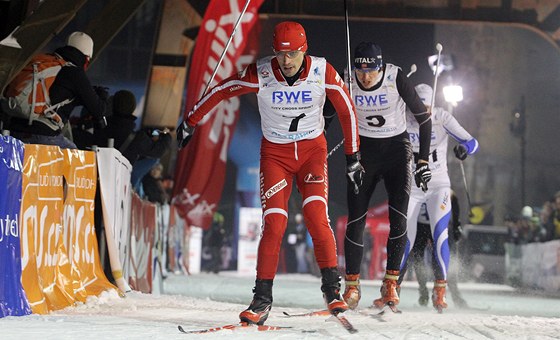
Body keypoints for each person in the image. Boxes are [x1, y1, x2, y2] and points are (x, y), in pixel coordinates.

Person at [176, 21, 362, 325]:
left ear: (304, 50)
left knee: (317, 217)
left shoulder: (322, 71)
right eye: (280, 54)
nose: (285, 61)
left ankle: (332, 290)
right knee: (274, 223)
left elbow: (347, 110)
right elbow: (223, 89)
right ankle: (261, 299)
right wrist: (191, 121)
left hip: (312, 154)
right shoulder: (261, 73)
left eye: (291, 55)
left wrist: (353, 158)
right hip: (276, 155)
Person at [342, 42, 432, 311]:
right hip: (364, 153)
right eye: (361, 71)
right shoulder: (347, 77)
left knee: (399, 219)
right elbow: (329, 112)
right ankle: (351, 286)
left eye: (371, 71)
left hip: (396, 151)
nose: (365, 77)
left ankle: (391, 283)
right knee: (356, 219)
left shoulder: (395, 76)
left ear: (380, 67)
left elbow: (424, 119)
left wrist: (422, 160)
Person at [398, 83, 479, 311]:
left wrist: (464, 149)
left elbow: (472, 142)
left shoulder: (442, 117)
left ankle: (440, 292)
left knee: (440, 234)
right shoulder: (402, 117)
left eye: (426, 107)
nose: (421, 112)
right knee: (404, 236)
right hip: (412, 185)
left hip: (438, 184)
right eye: (417, 107)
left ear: (433, 105)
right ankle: (393, 289)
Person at [5, 31, 109, 149]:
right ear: (86, 58)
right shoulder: (75, 73)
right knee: (74, 157)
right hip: (43, 134)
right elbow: (98, 109)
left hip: (14, 129)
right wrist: (102, 96)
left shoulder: (45, 62)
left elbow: (57, 95)